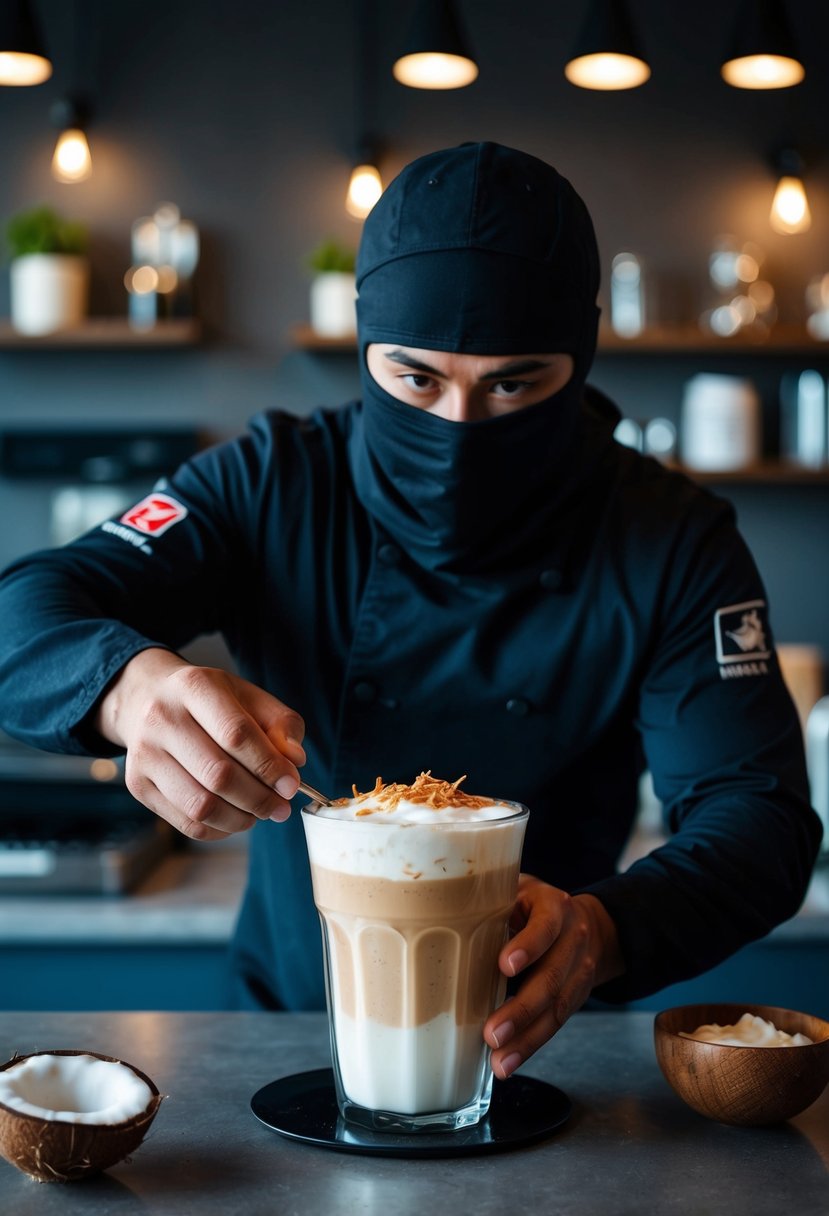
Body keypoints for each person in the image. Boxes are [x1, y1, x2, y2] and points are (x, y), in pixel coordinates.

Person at [0, 143, 821, 1081]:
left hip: (544, 1054)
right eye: (415, 379)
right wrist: (129, 690)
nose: (459, 430)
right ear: (363, 351)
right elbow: (21, 610)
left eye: (514, 383)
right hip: (282, 1044)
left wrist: (605, 928)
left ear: (579, 358)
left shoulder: (670, 537)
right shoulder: (269, 482)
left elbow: (756, 818)